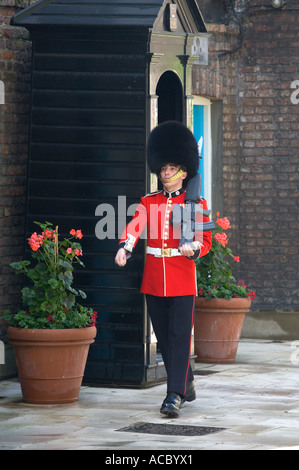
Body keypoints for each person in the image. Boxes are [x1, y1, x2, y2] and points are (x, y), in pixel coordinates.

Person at [115, 121, 212, 418]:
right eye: (163, 169)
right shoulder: (149, 201)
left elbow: (205, 240)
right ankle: (188, 382)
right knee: (166, 339)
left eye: (171, 168)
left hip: (182, 278)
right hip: (154, 279)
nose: (166, 173)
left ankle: (174, 395)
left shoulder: (196, 202)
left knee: (180, 336)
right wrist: (125, 246)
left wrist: (194, 247)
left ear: (183, 170)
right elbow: (135, 226)